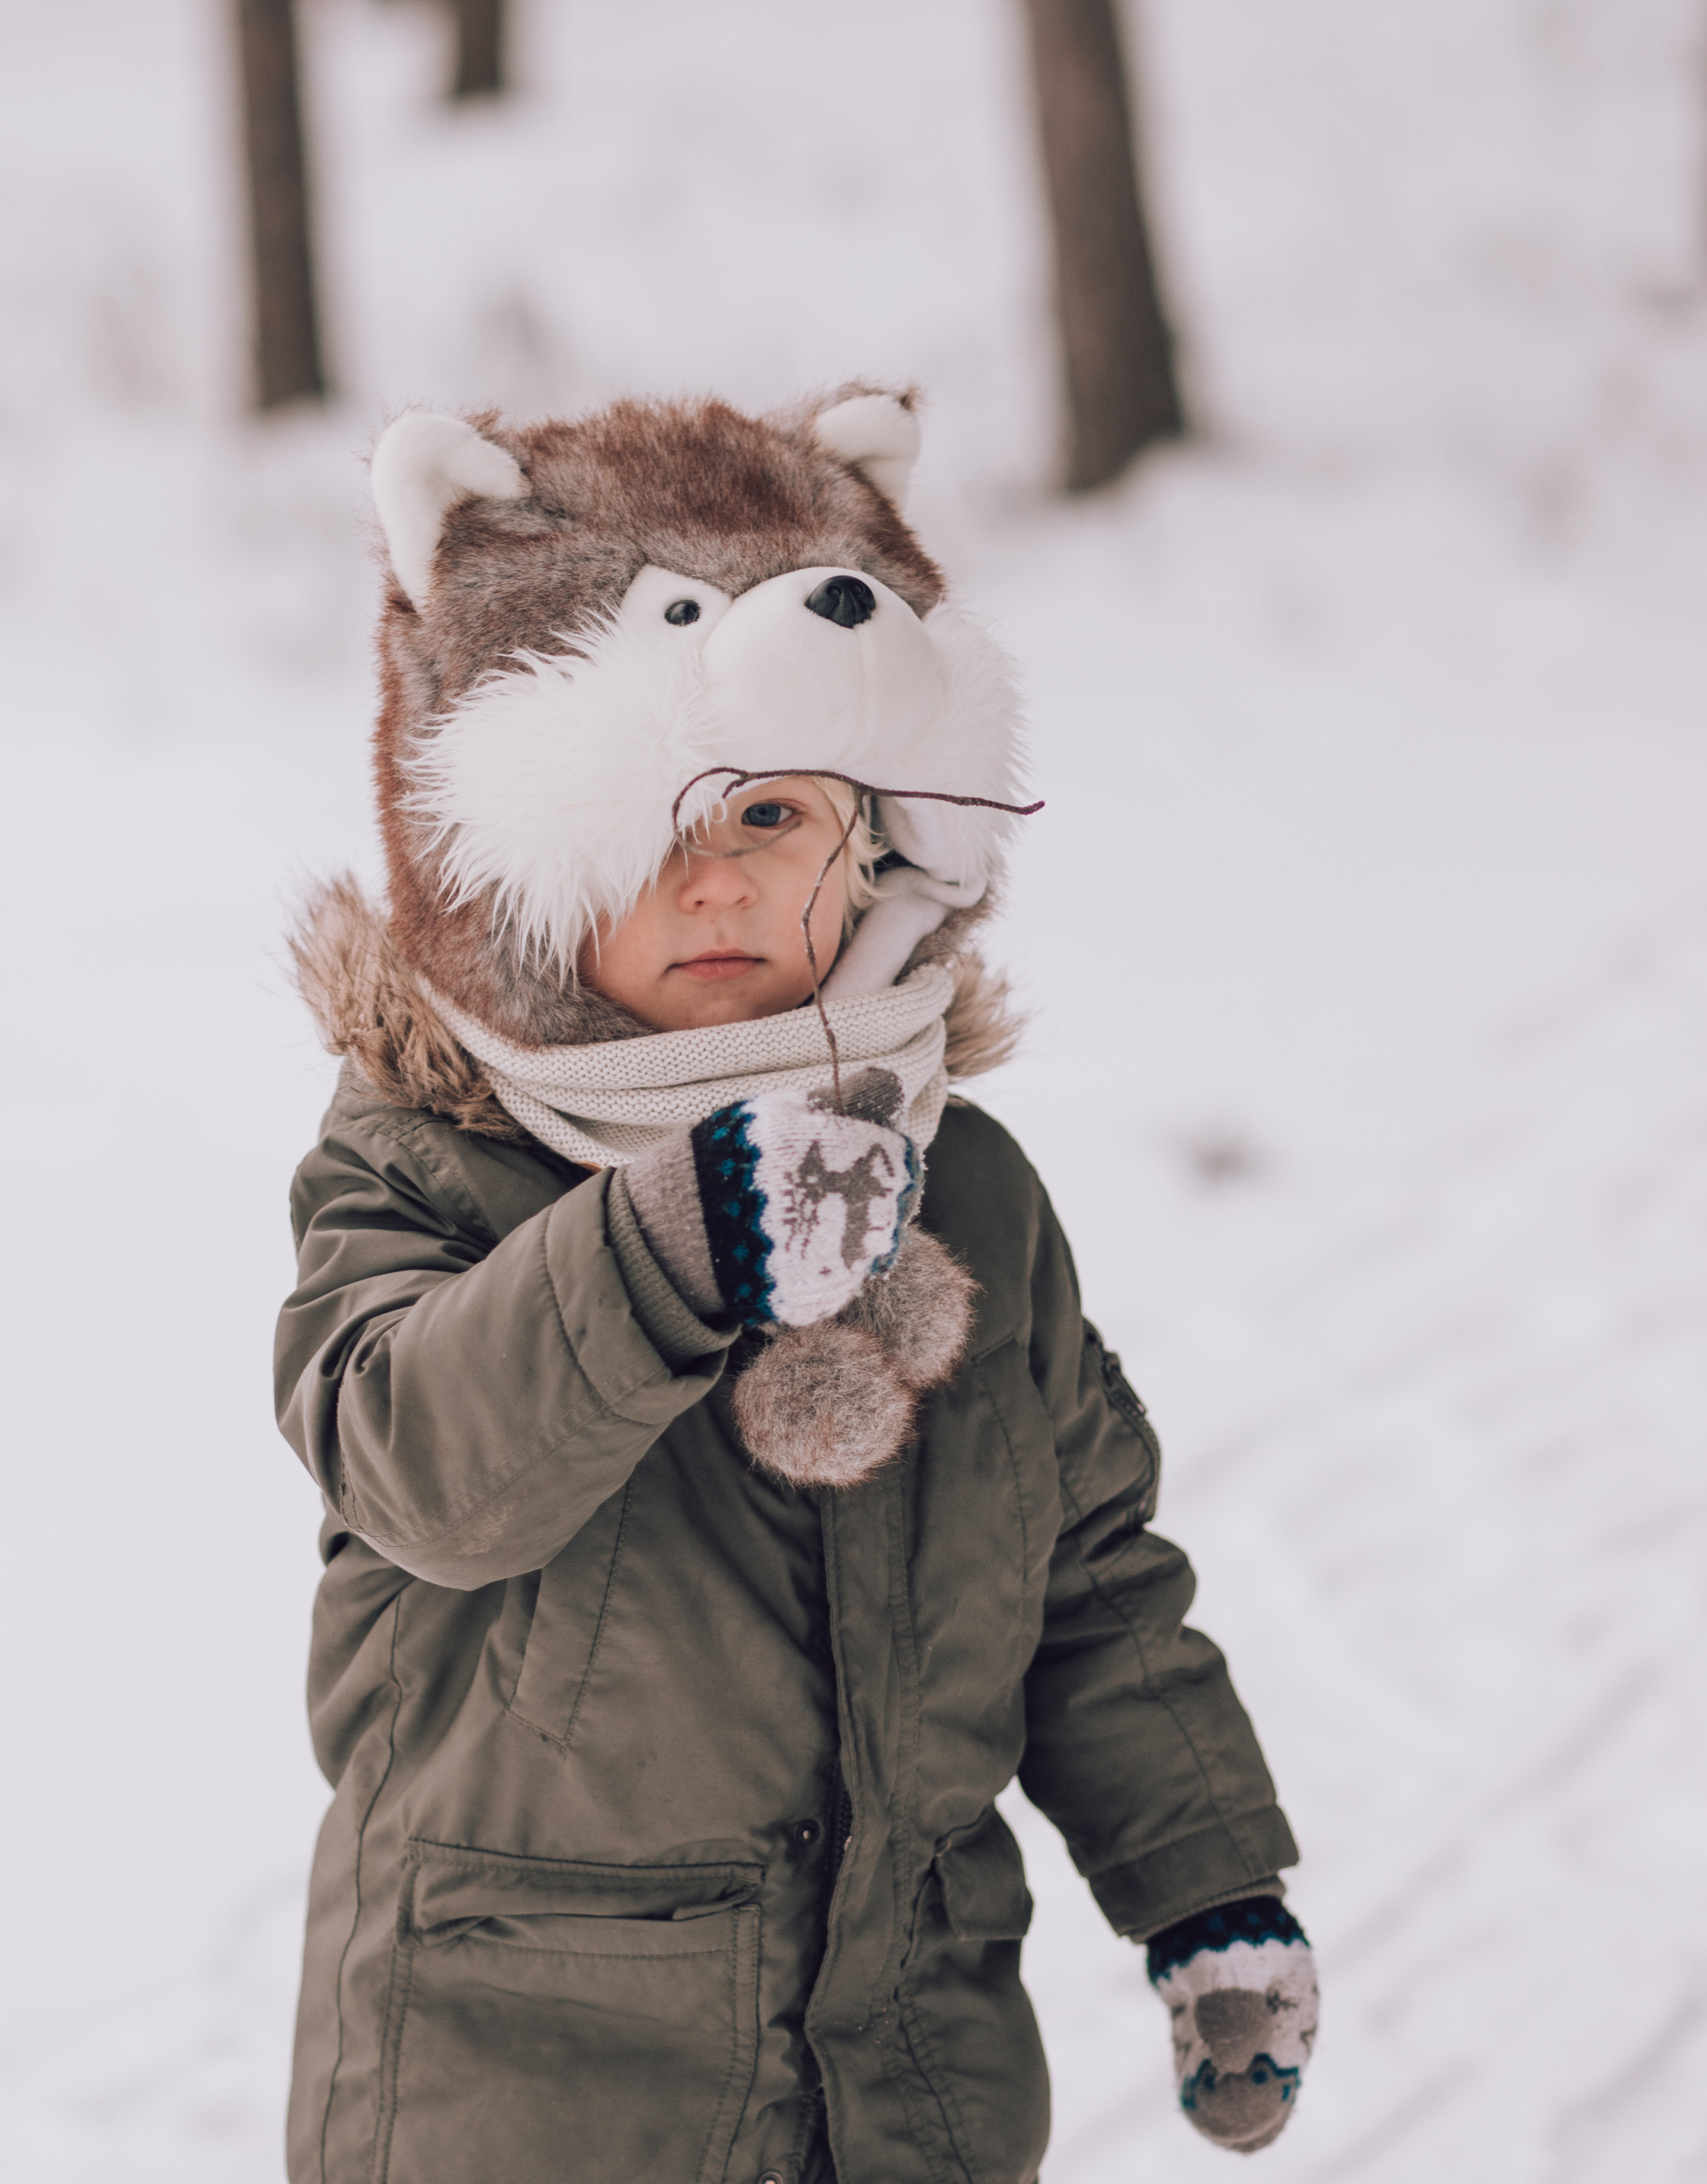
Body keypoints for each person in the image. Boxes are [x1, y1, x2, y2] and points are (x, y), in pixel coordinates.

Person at [275, 388, 1317, 2184]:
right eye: (644, 824)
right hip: (519, 2083)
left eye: (768, 812)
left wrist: (1203, 1875)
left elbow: (1081, 1568)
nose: (716, 881)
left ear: (878, 840)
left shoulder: (961, 1185)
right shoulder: (426, 1164)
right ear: (501, 862)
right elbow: (420, 1470)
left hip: (904, 2072)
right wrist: (662, 1245)